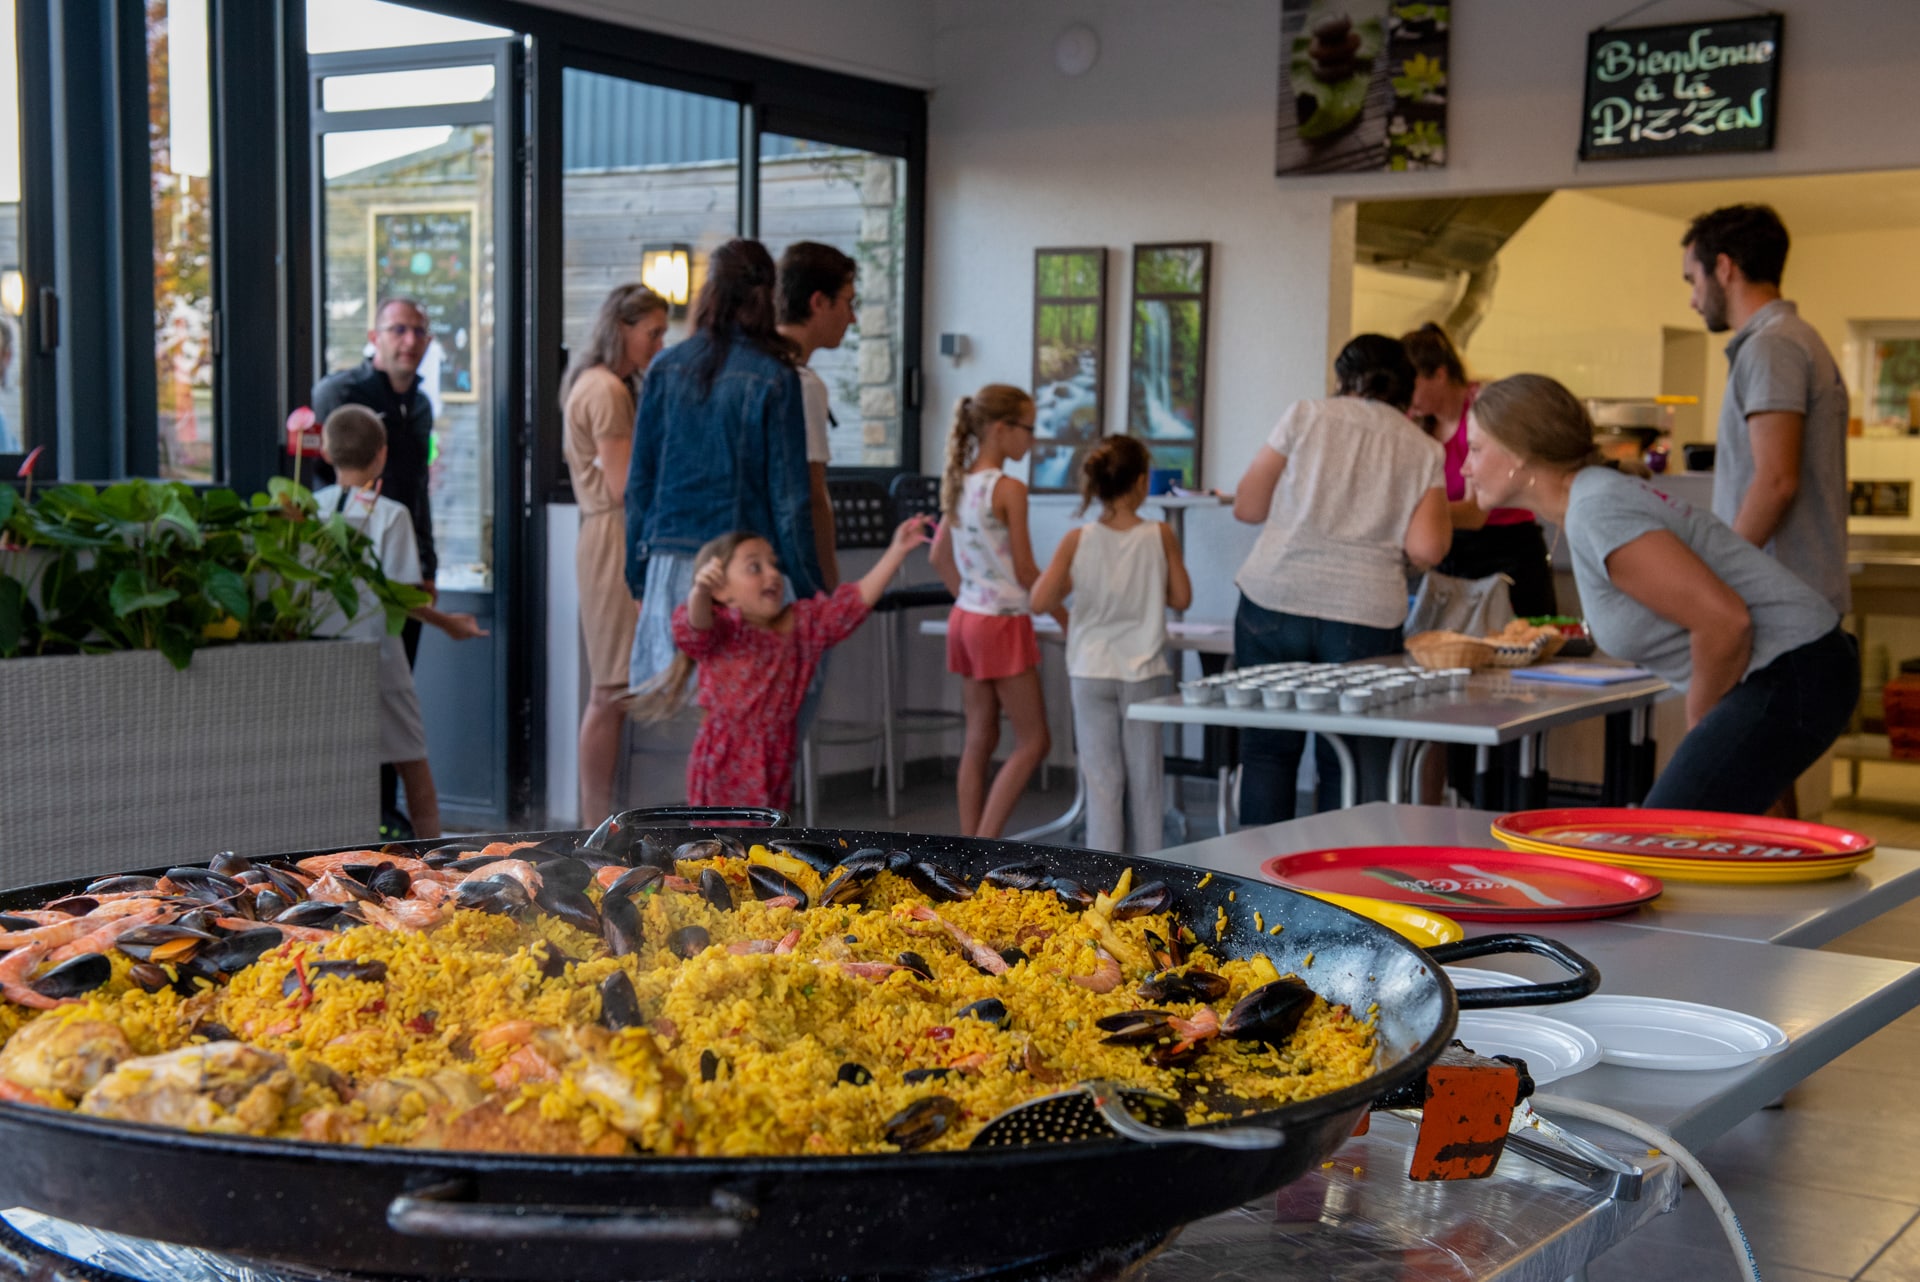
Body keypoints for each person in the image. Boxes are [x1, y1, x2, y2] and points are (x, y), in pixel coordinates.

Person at [1465, 374, 1856, 814]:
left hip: (1796, 670)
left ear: (1518, 453)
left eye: (1475, 449)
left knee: (1668, 843)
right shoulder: (1592, 499)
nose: (1465, 467)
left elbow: (1724, 620)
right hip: (1801, 668)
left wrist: (1702, 724)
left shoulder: (1597, 509)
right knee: (1730, 841)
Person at [1231, 334, 1450, 823]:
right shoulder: (1422, 447)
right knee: (1349, 757)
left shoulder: (1306, 414)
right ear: (1406, 387)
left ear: (1342, 375)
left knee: (1267, 748)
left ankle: (1250, 886)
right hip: (1364, 613)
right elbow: (1428, 547)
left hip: (1274, 597)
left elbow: (1248, 506)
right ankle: (1334, 887)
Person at [625, 239, 823, 700]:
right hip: (745, 570)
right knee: (764, 715)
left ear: (710, 290)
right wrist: (808, 587)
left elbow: (640, 486)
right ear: (768, 295)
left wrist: (637, 573)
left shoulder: (665, 368)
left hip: (672, 563)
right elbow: (789, 499)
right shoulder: (775, 376)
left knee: (699, 725)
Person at [637, 516, 932, 810]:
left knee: (767, 841)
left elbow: (852, 604)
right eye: (755, 567)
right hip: (725, 761)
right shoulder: (724, 629)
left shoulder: (801, 625)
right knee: (722, 846)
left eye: (773, 565)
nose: (773, 574)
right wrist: (700, 592)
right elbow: (695, 625)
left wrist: (897, 550)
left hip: (778, 755)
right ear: (722, 591)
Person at [312, 406, 487, 840]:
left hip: (321, 660)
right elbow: (401, 594)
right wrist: (449, 623)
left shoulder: (306, 513)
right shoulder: (390, 515)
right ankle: (434, 860)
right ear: (382, 456)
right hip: (382, 660)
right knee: (413, 764)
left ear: (327, 453)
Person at [1682, 204, 1850, 616]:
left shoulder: (1772, 346)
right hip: (1795, 602)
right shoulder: (1790, 340)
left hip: (1782, 606)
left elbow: (1776, 481)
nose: (1692, 300)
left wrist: (1718, 573)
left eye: (1693, 280)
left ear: (1723, 268)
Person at [311, 296, 439, 838]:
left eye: (417, 330)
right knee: (382, 716)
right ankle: (379, 820)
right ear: (375, 336)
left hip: (402, 562)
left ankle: (386, 820)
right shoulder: (343, 392)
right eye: (397, 329)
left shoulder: (424, 405)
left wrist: (428, 561)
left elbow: (421, 493)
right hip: (356, 600)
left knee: (393, 680)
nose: (408, 340)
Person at [1031, 435, 1192, 854]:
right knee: (1145, 780)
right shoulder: (1159, 533)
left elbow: (1040, 599)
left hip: (1089, 667)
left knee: (1101, 781)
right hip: (1143, 672)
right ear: (1142, 482)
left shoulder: (1076, 539)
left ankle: (1104, 882)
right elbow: (1182, 598)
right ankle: (1153, 872)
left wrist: (1074, 611)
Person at [561, 283, 670, 825]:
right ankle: (593, 821)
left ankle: (600, 817)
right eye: (652, 332)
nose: (658, 343)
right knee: (608, 689)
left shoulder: (600, 384)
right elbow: (626, 482)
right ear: (621, 328)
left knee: (615, 689)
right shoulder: (605, 389)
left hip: (608, 532)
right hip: (612, 537)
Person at [929, 385, 1054, 839]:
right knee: (1034, 741)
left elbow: (938, 557)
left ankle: (967, 847)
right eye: (1028, 429)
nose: (1032, 440)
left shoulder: (959, 482)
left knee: (979, 737)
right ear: (1001, 429)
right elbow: (1024, 569)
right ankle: (986, 845)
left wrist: (972, 595)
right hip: (1000, 621)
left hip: (965, 619)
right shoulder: (1008, 488)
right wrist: (1063, 613)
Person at [1402, 322, 1556, 617]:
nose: (1407, 396)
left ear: (1440, 374)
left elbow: (1474, 514)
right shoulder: (1417, 423)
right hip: (1450, 548)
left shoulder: (1482, 409)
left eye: (1413, 384)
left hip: (1506, 545)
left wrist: (1414, 513)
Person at [776, 241, 860, 591]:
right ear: (818, 302)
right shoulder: (800, 383)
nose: (852, 317)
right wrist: (827, 578)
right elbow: (810, 492)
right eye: (847, 303)